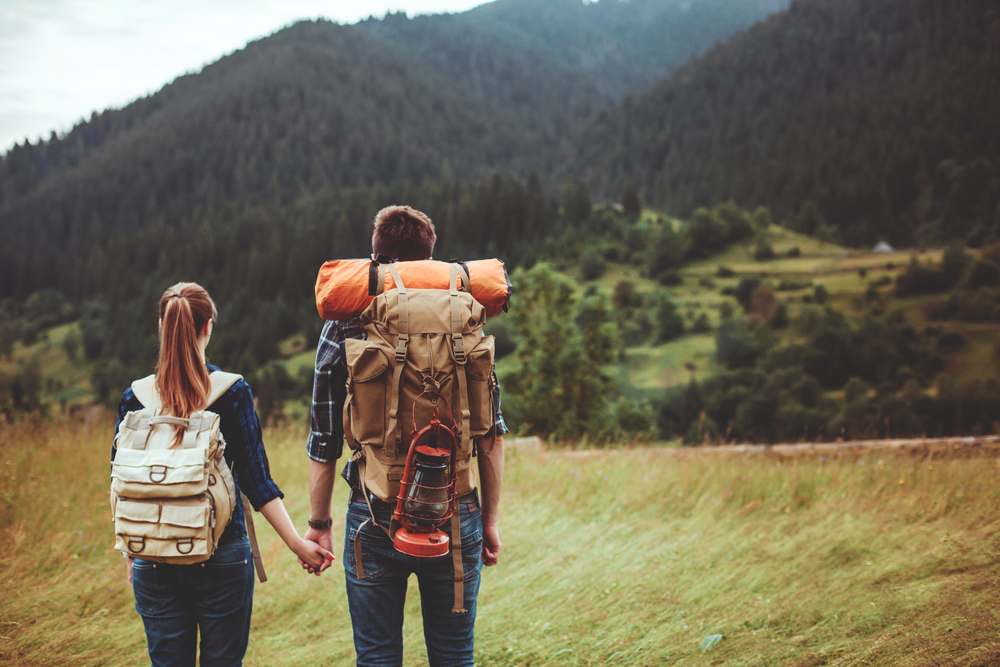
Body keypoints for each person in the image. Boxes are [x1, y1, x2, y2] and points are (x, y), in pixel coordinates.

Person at [302, 206, 507, 667]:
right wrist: (489, 520)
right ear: (429, 258)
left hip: (373, 511)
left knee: (377, 658)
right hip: (457, 512)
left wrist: (319, 525)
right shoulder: (464, 312)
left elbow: (324, 435)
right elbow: (490, 433)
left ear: (376, 260)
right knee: (455, 656)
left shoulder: (349, 316)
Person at [113, 282, 334, 667]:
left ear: (163, 329)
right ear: (208, 326)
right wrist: (299, 544)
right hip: (222, 556)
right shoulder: (232, 392)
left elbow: (122, 484)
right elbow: (256, 481)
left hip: (153, 558)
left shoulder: (134, 398)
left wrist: (133, 553)